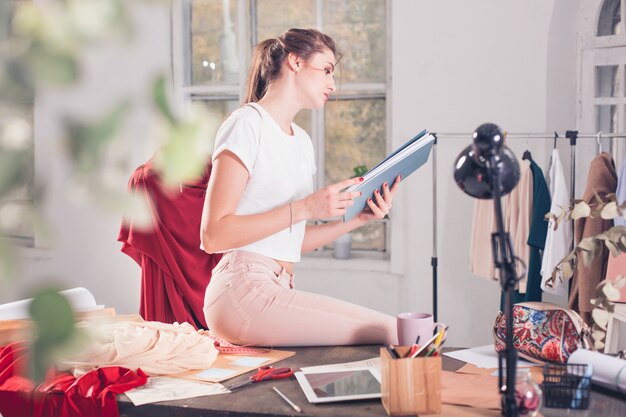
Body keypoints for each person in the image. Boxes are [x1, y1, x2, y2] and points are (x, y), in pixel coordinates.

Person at [201, 28, 400, 346]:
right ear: (295, 61)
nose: (332, 85)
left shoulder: (302, 142)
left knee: (396, 330)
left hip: (277, 284)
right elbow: (213, 235)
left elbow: (290, 241)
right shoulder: (246, 124)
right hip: (241, 288)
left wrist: (359, 219)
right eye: (326, 70)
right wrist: (306, 207)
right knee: (396, 332)